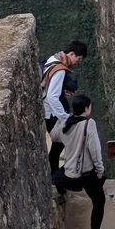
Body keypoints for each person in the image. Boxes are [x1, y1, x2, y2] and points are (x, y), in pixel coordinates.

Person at [51, 93, 107, 229]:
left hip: (68, 175)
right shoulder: (89, 124)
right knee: (99, 201)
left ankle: (61, 190)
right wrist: (100, 170)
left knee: (56, 176)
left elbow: (54, 136)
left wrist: (60, 118)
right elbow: (95, 150)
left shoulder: (65, 123)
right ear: (87, 108)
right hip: (85, 175)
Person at [42, 40, 87, 171]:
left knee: (58, 144)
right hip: (50, 113)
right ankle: (55, 175)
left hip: (47, 108)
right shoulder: (60, 70)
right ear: (71, 54)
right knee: (59, 144)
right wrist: (64, 117)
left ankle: (55, 175)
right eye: (78, 58)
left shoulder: (53, 58)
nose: (78, 61)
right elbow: (52, 96)